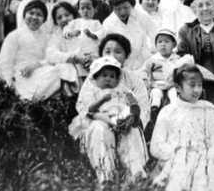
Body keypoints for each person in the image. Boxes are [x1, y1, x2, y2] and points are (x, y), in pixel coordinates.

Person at [74, 34, 150, 184]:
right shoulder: (94, 79)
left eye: (118, 52)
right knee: (99, 129)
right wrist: (103, 118)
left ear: (126, 56)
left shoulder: (133, 80)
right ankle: (105, 176)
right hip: (99, 121)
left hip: (123, 120)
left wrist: (132, 119)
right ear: (101, 54)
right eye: (107, 51)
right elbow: (84, 106)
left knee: (132, 131)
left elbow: (142, 106)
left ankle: (135, 174)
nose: (112, 56)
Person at [151, 64, 214, 191]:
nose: (197, 90)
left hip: (204, 160)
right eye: (192, 85)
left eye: (200, 85)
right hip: (175, 161)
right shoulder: (168, 112)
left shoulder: (209, 110)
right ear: (178, 87)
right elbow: (156, 145)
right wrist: (178, 153)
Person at [0, 0, 61, 101]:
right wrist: (8, 86)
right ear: (24, 15)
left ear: (44, 20)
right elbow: (5, 63)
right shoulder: (15, 35)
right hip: (19, 77)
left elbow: (50, 59)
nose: (34, 17)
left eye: (39, 15)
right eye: (31, 13)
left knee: (57, 71)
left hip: (38, 74)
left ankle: (30, 100)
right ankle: (25, 99)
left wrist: (35, 65)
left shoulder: (46, 38)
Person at [69, 56, 140, 136]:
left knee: (126, 109)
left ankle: (131, 118)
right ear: (96, 78)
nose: (108, 79)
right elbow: (89, 109)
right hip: (102, 114)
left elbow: (128, 93)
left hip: (117, 113)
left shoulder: (118, 89)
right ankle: (113, 124)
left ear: (117, 79)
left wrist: (131, 98)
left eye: (112, 76)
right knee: (97, 115)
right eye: (104, 75)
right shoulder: (94, 90)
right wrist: (102, 100)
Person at [102, 0, 157, 72]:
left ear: (131, 4)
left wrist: (154, 56)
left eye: (126, 7)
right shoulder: (108, 23)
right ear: (112, 7)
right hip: (120, 67)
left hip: (144, 64)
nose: (123, 12)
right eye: (118, 9)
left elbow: (155, 36)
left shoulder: (142, 16)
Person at [140, 29, 180, 120]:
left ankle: (175, 108)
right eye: (160, 42)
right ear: (156, 45)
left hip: (171, 84)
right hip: (157, 84)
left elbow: (181, 69)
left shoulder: (176, 58)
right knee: (156, 93)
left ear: (173, 45)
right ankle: (155, 108)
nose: (163, 44)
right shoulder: (153, 59)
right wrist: (145, 80)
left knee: (173, 94)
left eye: (167, 41)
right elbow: (145, 71)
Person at [63, 0, 105, 78]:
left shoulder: (96, 23)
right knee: (76, 72)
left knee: (91, 70)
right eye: (82, 8)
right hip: (77, 53)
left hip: (91, 52)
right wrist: (71, 33)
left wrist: (91, 35)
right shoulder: (75, 22)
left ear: (95, 9)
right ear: (78, 10)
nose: (85, 11)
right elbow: (65, 31)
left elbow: (101, 33)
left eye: (89, 8)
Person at [45, 2, 82, 96]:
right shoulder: (57, 35)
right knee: (61, 65)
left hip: (84, 65)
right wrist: (71, 57)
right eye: (59, 17)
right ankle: (68, 92)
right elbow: (50, 54)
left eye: (67, 15)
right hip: (70, 66)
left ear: (74, 15)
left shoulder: (82, 28)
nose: (64, 19)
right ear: (56, 22)